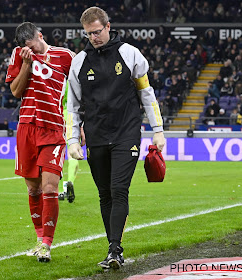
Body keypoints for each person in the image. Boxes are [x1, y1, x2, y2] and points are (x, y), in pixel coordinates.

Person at [67, 7, 165, 270]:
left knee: (119, 190)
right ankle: (113, 247)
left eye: (97, 32)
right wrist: (72, 139)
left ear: (108, 27)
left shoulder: (130, 54)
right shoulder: (78, 62)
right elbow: (73, 106)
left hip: (126, 133)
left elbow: (147, 93)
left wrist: (158, 129)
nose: (94, 37)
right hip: (97, 135)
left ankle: (114, 250)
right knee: (104, 194)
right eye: (89, 34)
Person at [5, 22, 75, 262]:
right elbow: (15, 91)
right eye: (26, 48)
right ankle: (38, 239)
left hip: (53, 128)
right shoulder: (19, 55)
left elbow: (81, 87)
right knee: (33, 189)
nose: (30, 51)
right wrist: (26, 64)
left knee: (49, 188)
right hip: (27, 127)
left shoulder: (65, 56)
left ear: (40, 36)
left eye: (32, 47)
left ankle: (47, 244)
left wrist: (81, 123)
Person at [59, 82, 77, 203]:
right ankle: (70, 181)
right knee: (72, 154)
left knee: (57, 155)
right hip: (72, 119)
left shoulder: (58, 77)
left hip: (59, 117)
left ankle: (61, 190)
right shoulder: (74, 81)